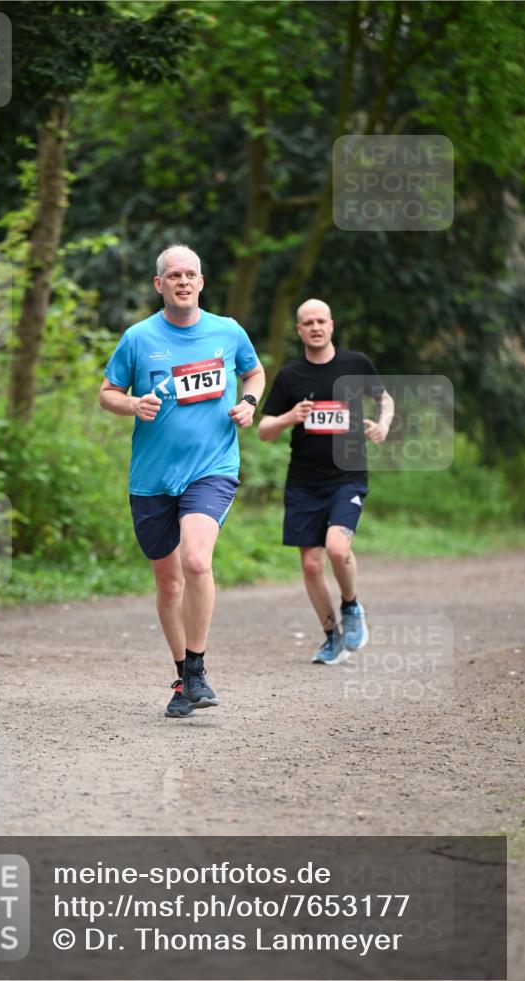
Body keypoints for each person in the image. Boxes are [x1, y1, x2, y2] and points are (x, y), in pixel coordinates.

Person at [100, 245, 265, 716]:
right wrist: (133, 404)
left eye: (191, 274)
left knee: (195, 560)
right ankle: (183, 679)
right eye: (174, 275)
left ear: (201, 281)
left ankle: (197, 668)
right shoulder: (138, 338)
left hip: (212, 467)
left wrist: (249, 404)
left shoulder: (227, 331)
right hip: (152, 476)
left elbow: (254, 373)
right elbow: (107, 393)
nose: (183, 281)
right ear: (160, 284)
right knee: (169, 583)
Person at [258, 298, 393, 664]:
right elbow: (264, 430)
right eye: (308, 323)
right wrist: (289, 417)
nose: (315, 327)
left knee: (336, 548)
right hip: (303, 481)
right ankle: (332, 637)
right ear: (299, 330)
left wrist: (383, 425)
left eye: (321, 321)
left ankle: (351, 606)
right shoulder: (290, 376)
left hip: (348, 476)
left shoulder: (355, 364)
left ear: (331, 325)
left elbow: (385, 399)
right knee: (311, 565)